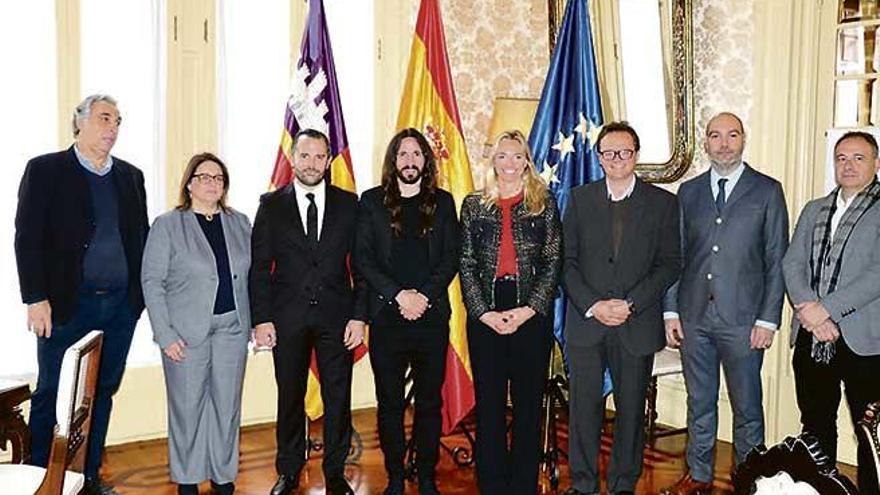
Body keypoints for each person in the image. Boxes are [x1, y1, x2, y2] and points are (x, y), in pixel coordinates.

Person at [14, 94, 149, 495]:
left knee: (100, 393)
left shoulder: (130, 176)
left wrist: (137, 301)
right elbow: (28, 239)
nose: (113, 127)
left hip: (120, 307)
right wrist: (35, 297)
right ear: (80, 123)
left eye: (118, 121)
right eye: (105, 118)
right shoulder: (46, 170)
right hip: (65, 306)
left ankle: (87, 477)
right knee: (53, 395)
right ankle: (44, 480)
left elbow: (138, 238)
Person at [660, 112, 789, 495]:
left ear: (743, 138)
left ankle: (750, 479)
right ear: (706, 143)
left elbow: (776, 259)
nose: (724, 143)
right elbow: (676, 256)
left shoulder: (767, 190)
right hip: (694, 317)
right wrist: (671, 310)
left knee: (747, 407)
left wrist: (768, 319)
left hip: (744, 320)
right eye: (715, 136)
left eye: (732, 135)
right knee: (700, 402)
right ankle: (699, 474)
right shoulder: (689, 192)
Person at [562, 122, 680, 495]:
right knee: (583, 411)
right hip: (587, 324)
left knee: (631, 412)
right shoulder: (579, 199)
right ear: (599, 158)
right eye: (608, 153)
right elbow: (567, 261)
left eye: (624, 152)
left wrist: (630, 303)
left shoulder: (663, 202)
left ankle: (623, 484)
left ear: (636, 156)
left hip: (636, 323)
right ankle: (583, 484)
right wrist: (593, 305)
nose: (616, 159)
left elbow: (670, 263)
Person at [250, 128, 366, 495]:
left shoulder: (350, 204)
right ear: (294, 159)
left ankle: (335, 471)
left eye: (319, 156)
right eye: (305, 156)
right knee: (289, 396)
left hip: (338, 317)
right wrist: (262, 319)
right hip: (287, 319)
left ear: (328, 160)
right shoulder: (271, 205)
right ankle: (289, 469)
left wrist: (359, 316)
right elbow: (259, 268)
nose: (312, 163)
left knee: (338, 396)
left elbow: (362, 267)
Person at [354, 128, 460, 495]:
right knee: (390, 404)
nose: (410, 161)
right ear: (393, 161)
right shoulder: (370, 202)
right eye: (403, 154)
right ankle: (396, 476)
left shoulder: (444, 203)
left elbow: (451, 258)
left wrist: (423, 297)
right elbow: (364, 259)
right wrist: (400, 295)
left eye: (416, 154)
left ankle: (427, 476)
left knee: (430, 403)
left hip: (430, 320)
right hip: (387, 319)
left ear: (425, 162)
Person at [141, 153, 252, 495]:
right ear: (189, 183)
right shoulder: (168, 225)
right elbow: (151, 281)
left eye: (218, 178)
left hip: (232, 329)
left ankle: (222, 477)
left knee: (227, 407)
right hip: (185, 335)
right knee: (187, 409)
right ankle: (188, 481)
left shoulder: (240, 223)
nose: (211, 183)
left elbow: (255, 277)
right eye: (203, 177)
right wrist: (165, 334)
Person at [459, 130, 561, 494]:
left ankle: (522, 485)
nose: (510, 163)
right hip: (486, 311)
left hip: (530, 315)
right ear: (493, 160)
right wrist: (483, 312)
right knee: (489, 405)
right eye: (502, 155)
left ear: (527, 162)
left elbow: (552, 263)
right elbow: (466, 263)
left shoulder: (543, 203)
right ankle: (492, 484)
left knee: (528, 405)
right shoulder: (473, 205)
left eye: (517, 156)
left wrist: (528, 310)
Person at [783, 130, 880, 495]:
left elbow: (877, 274)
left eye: (858, 158)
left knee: (870, 432)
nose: (848, 165)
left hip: (865, 342)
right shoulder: (815, 208)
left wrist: (826, 310)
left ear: (876, 163)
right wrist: (810, 310)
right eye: (841, 158)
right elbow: (792, 264)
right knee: (816, 424)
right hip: (812, 337)